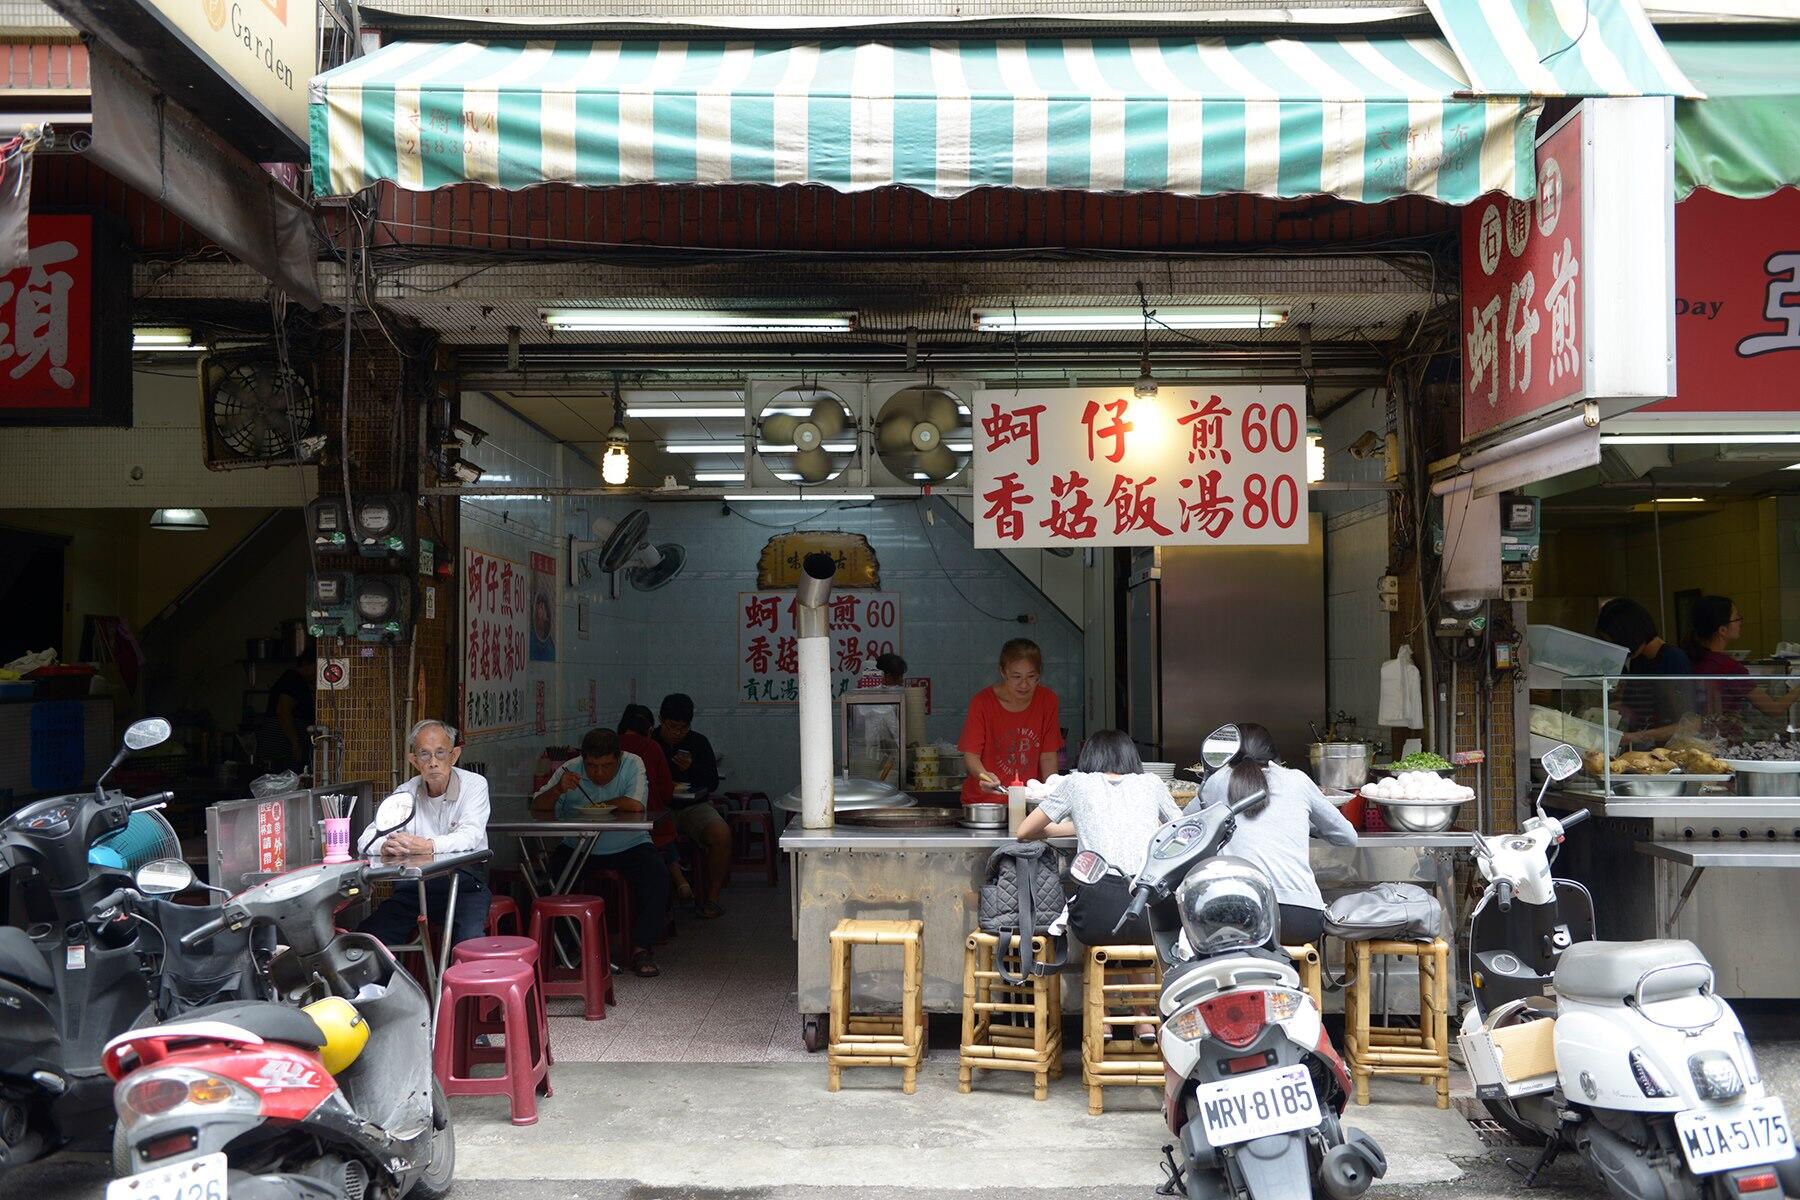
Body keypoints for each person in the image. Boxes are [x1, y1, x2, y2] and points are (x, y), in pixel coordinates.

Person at [1190, 723, 1356, 945]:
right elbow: (1348, 837)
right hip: (1300, 918)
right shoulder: (1297, 780)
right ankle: (1293, 978)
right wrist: (1307, 824)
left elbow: (1184, 826)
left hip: (1238, 914)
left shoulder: (1216, 782)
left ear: (1229, 755)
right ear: (1275, 755)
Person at [1018, 730, 1179, 946]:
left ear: (1089, 756)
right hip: (1151, 920)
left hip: (1095, 922)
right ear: (1132, 757)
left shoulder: (1077, 783)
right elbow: (1183, 830)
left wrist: (1070, 828)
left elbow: (1023, 831)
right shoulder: (1152, 783)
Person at [534, 728, 667, 977]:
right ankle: (566, 948)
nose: (599, 773)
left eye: (607, 766)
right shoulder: (569, 769)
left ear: (618, 758)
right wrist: (558, 790)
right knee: (553, 878)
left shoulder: (632, 764)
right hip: (579, 846)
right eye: (593, 766)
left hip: (630, 844)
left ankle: (641, 948)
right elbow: (538, 806)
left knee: (656, 874)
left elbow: (637, 805)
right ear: (584, 760)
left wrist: (604, 805)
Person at [356, 719, 492, 948]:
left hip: (464, 887)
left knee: (468, 943)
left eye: (440, 753)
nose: (433, 763)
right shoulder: (405, 792)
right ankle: (383, 985)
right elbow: (367, 839)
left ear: (454, 755)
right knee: (369, 937)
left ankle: (455, 985)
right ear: (414, 761)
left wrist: (427, 845)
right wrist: (384, 846)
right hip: (414, 890)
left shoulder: (474, 785)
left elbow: (471, 836)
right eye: (425, 755)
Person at [654, 694, 731, 919]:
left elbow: (712, 782)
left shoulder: (698, 742)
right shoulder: (652, 742)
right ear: (661, 720)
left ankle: (712, 899)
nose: (677, 733)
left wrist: (692, 767)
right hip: (661, 806)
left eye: (683, 728)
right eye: (671, 727)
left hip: (693, 806)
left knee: (721, 834)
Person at [959, 638, 1062, 804]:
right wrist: (983, 776)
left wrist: (1052, 795)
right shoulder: (982, 703)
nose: (1024, 684)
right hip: (985, 802)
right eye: (1016, 676)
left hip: (1028, 801)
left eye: (1031, 676)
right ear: (1003, 672)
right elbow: (971, 756)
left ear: (1039, 674)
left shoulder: (1047, 700)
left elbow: (1048, 757)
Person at [1595, 598, 1696, 746]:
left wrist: (1637, 736)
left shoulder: (1673, 658)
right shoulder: (1639, 659)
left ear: (1629, 635)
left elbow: (1691, 724)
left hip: (1667, 751)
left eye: (1614, 642)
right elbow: (1637, 706)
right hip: (1644, 750)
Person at [1683, 595, 1794, 722]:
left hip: (1697, 738)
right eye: (1736, 618)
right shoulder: (1729, 667)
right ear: (1722, 630)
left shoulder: (1688, 658)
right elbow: (1773, 709)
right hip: (1722, 738)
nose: (1740, 622)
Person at [256, 650, 314, 775]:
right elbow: (283, 711)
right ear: (306, 664)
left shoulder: (300, 683)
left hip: (286, 747)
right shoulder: (293, 679)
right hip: (281, 746)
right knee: (285, 782)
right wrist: (296, 743)